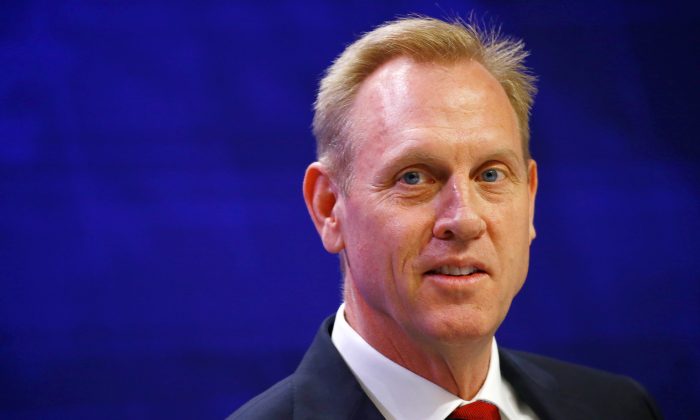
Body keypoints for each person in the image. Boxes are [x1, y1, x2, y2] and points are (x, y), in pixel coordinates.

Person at [230, 16, 662, 420]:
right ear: (329, 208)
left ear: (530, 198)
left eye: (491, 174)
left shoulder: (620, 407)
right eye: (414, 176)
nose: (465, 219)